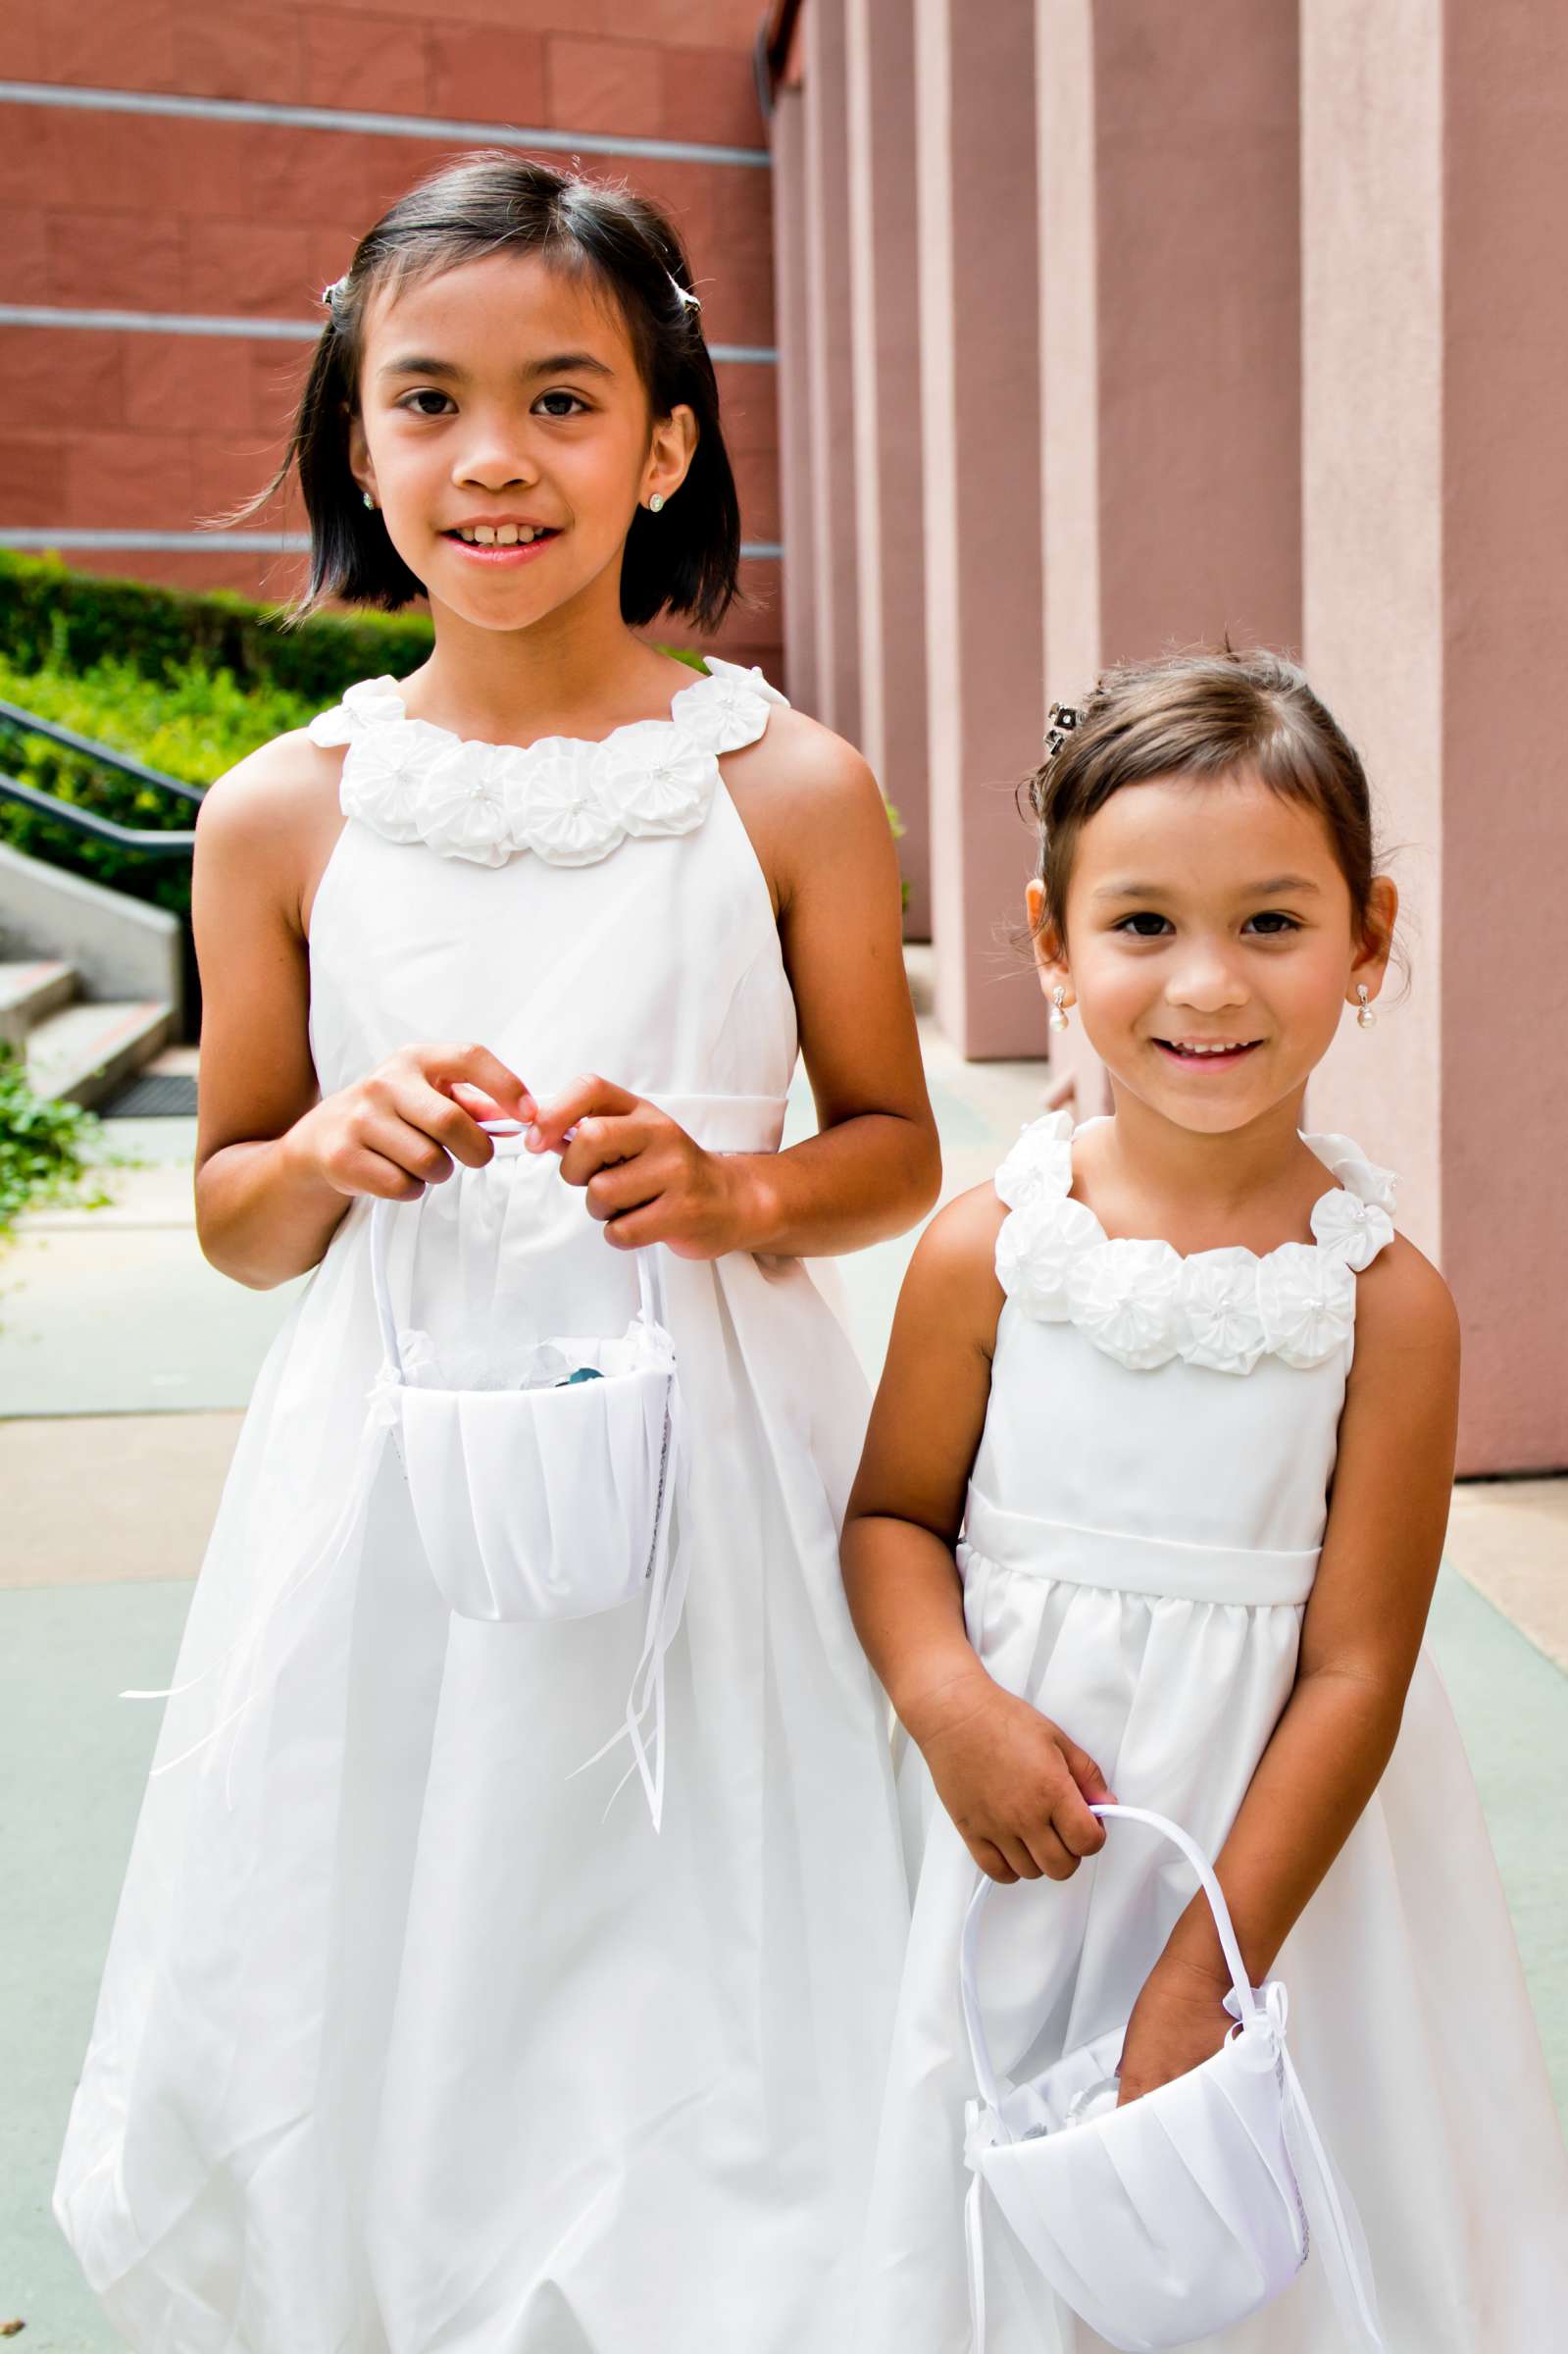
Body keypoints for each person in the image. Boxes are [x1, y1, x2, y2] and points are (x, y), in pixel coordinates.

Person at [55, 154, 938, 2353]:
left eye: (562, 401)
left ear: (661, 445)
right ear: (356, 441)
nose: (492, 458)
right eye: (426, 399)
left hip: (722, 1465)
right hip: (394, 1477)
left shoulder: (785, 787)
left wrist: (736, 1192)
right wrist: (330, 1150)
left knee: (719, 1903)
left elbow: (893, 1146)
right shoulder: (281, 815)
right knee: (421, 1897)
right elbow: (237, 1217)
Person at [843, 648, 1568, 2351]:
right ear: (1049, 939)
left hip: (1264, 1867)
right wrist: (950, 1705)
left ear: (1367, 937)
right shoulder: (993, 1248)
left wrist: (1204, 1968)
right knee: (989, 2213)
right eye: (1144, 923)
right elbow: (891, 1520)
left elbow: (1355, 1671)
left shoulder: (1386, 1303)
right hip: (1009, 1831)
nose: (1206, 984)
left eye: (1271, 922)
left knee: (1257, 2241)